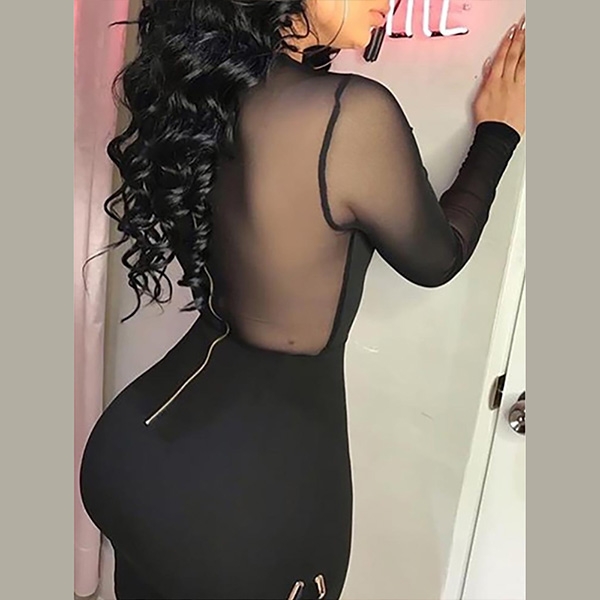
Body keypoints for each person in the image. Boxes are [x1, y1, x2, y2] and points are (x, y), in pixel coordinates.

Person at [79, 1, 525, 599]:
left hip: (133, 449)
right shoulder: (348, 114)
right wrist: (499, 132)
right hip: (248, 509)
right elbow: (438, 258)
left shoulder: (203, 93)